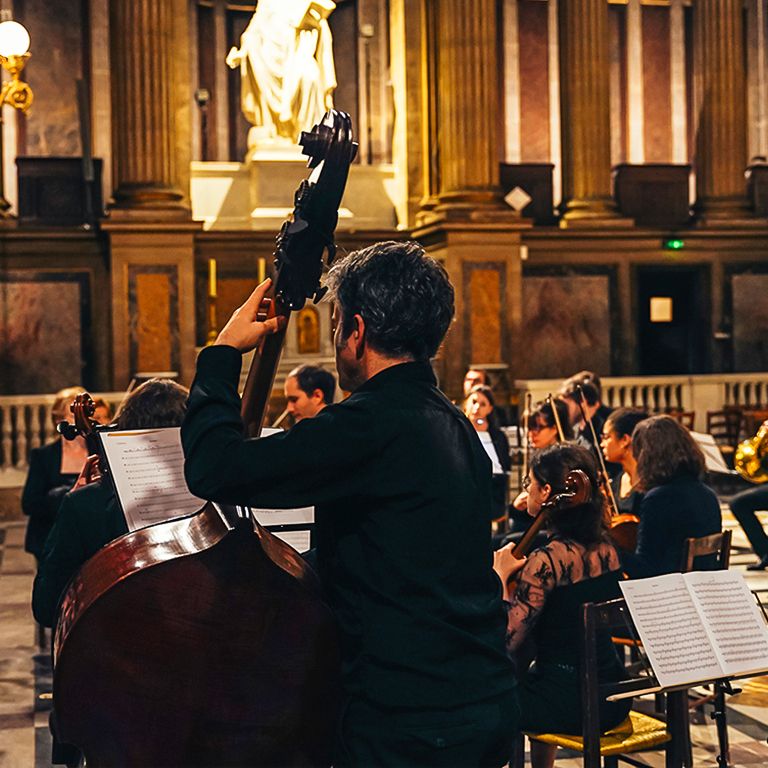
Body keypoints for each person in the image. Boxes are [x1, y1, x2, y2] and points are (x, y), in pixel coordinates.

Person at [181, 240, 518, 767]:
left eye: (336, 325)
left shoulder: (368, 424)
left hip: (410, 721)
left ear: (355, 331)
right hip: (481, 698)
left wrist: (223, 352)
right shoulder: (453, 423)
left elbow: (214, 467)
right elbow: (405, 556)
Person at [492, 443, 630, 768]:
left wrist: (499, 577)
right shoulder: (606, 549)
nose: (527, 489)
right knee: (538, 675)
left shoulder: (546, 562)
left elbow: (508, 640)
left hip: (569, 704)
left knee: (489, 698)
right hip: (611, 695)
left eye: (529, 483)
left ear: (549, 491)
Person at [32, 379, 189, 629]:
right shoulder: (221, 496)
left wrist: (76, 501)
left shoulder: (85, 506)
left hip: (114, 653)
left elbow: (47, 605)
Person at [620, 415, 722, 579]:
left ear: (646, 456)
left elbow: (647, 569)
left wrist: (611, 550)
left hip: (671, 595)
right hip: (704, 589)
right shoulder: (707, 494)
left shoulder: (658, 499)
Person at [226, 0, 337, 148]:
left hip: (298, 53)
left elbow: (323, 35)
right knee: (262, 69)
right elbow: (253, 30)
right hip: (269, 58)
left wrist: (314, 21)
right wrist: (242, 52)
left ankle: (306, 133)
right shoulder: (267, 3)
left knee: (310, 75)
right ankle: (278, 131)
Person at [21, 386, 90, 562]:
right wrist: (64, 495)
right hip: (50, 537)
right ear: (60, 421)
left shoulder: (98, 450)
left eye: (85, 414)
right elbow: (29, 503)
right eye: (74, 414)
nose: (82, 420)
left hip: (87, 538)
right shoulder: (43, 455)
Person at [464, 384, 511, 521]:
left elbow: (503, 466)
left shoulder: (497, 435)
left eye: (483, 404)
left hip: (492, 485)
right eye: (473, 402)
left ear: (490, 409)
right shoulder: (457, 429)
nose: (477, 408)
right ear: (466, 403)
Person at [600, 408, 649, 518]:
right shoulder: (615, 483)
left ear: (624, 440)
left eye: (606, 437)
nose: (602, 444)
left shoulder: (649, 483)